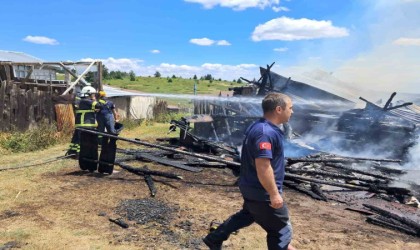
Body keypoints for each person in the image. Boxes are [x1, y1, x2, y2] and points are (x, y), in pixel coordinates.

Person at [203, 92, 295, 250]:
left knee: (249, 215)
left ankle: (214, 238)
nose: (292, 111)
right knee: (282, 231)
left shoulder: (260, 127)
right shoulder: (265, 133)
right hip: (263, 192)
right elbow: (263, 166)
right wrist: (273, 193)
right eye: (290, 108)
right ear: (279, 109)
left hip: (252, 188)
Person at [67, 86, 100, 156]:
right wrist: (94, 100)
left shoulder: (82, 101)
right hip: (85, 124)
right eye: (93, 94)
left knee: (76, 139)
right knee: (84, 140)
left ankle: (73, 152)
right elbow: (99, 105)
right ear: (88, 94)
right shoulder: (86, 101)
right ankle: (80, 154)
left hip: (81, 124)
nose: (94, 95)